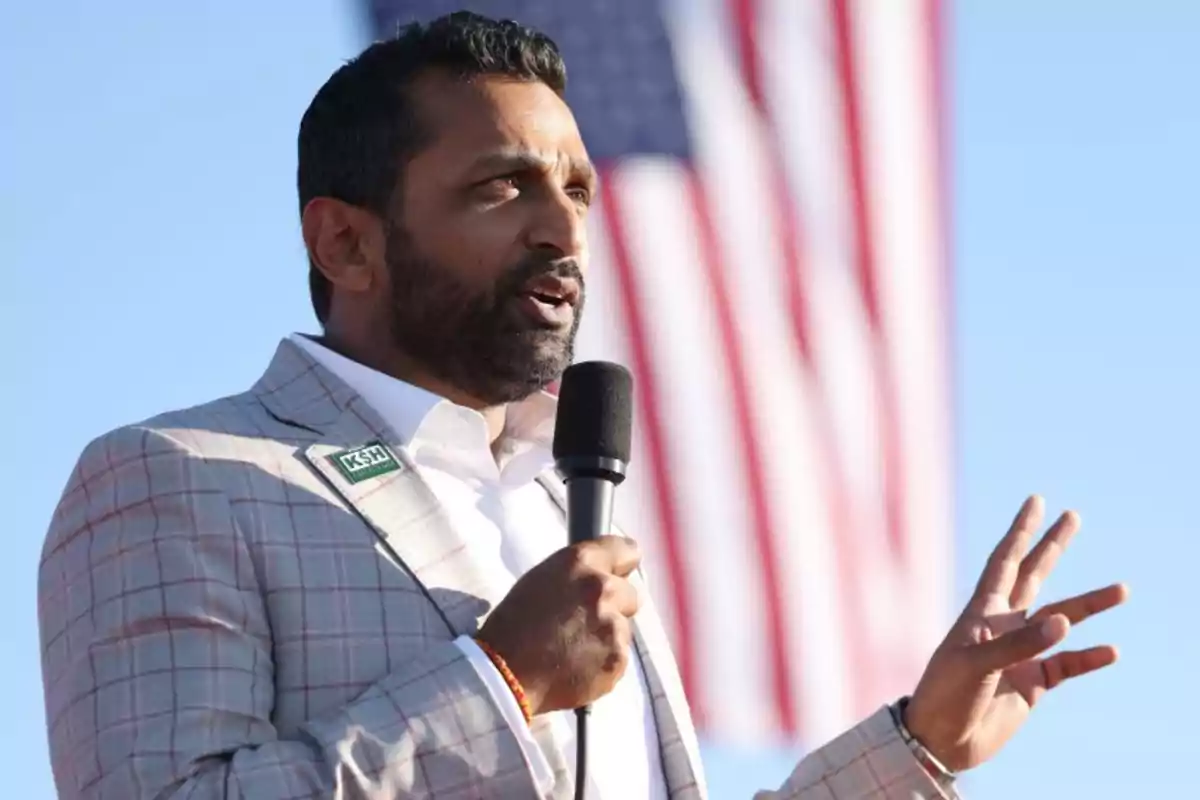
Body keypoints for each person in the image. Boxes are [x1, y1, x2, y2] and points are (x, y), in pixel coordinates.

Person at [37, 11, 1127, 800]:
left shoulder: (567, 509)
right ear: (346, 240)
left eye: (576, 190)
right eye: (500, 186)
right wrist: (499, 684)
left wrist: (916, 743)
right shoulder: (177, 477)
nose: (562, 230)